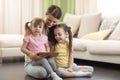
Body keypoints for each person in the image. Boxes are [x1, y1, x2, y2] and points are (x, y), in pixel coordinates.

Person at [21, 5, 62, 79]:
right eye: (49, 20)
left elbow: (49, 48)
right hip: (31, 62)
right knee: (42, 73)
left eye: (54, 21)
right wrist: (31, 54)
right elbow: (23, 47)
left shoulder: (54, 30)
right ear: (45, 14)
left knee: (51, 65)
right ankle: (51, 73)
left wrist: (49, 53)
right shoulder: (34, 25)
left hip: (44, 60)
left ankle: (51, 72)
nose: (51, 23)